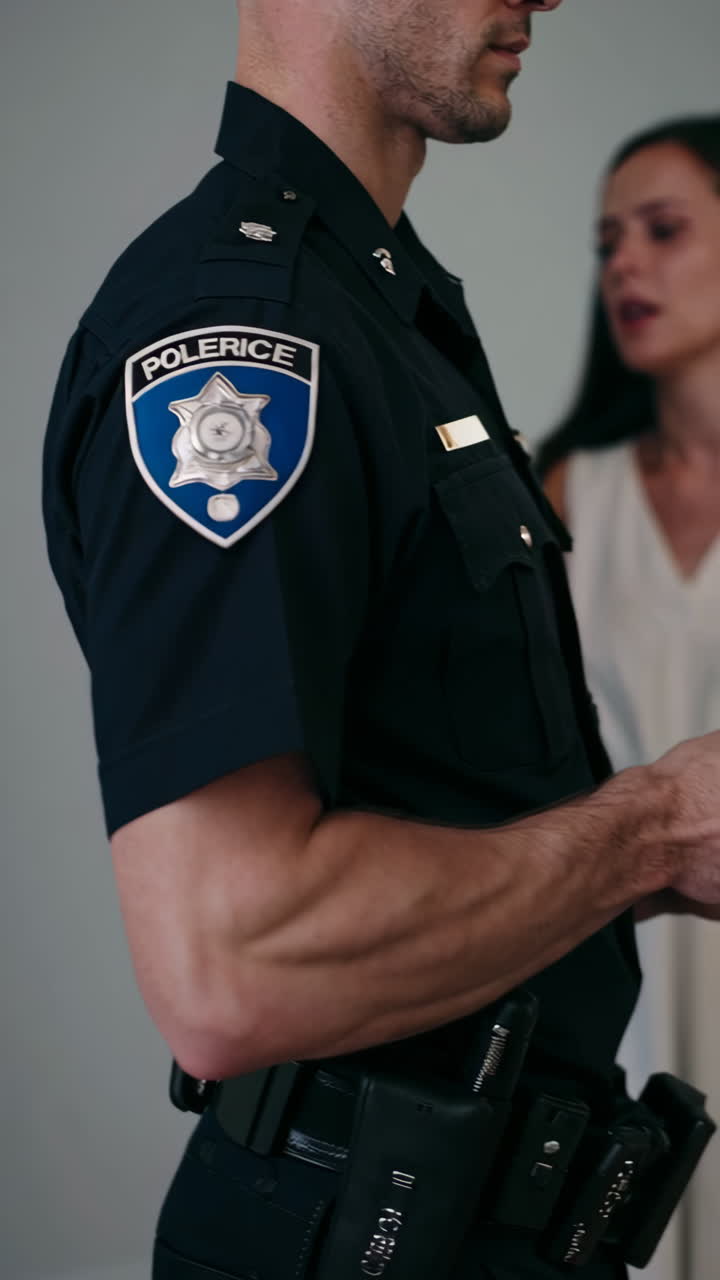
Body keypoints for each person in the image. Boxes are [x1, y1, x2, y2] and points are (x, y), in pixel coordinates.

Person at [41, 2, 720, 1276]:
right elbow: (230, 960)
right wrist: (652, 831)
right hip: (369, 1231)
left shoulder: (376, 312)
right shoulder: (249, 339)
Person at [538, 115, 720, 1280]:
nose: (624, 267)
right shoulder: (564, 488)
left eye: (662, 231)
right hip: (624, 959)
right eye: (608, 242)